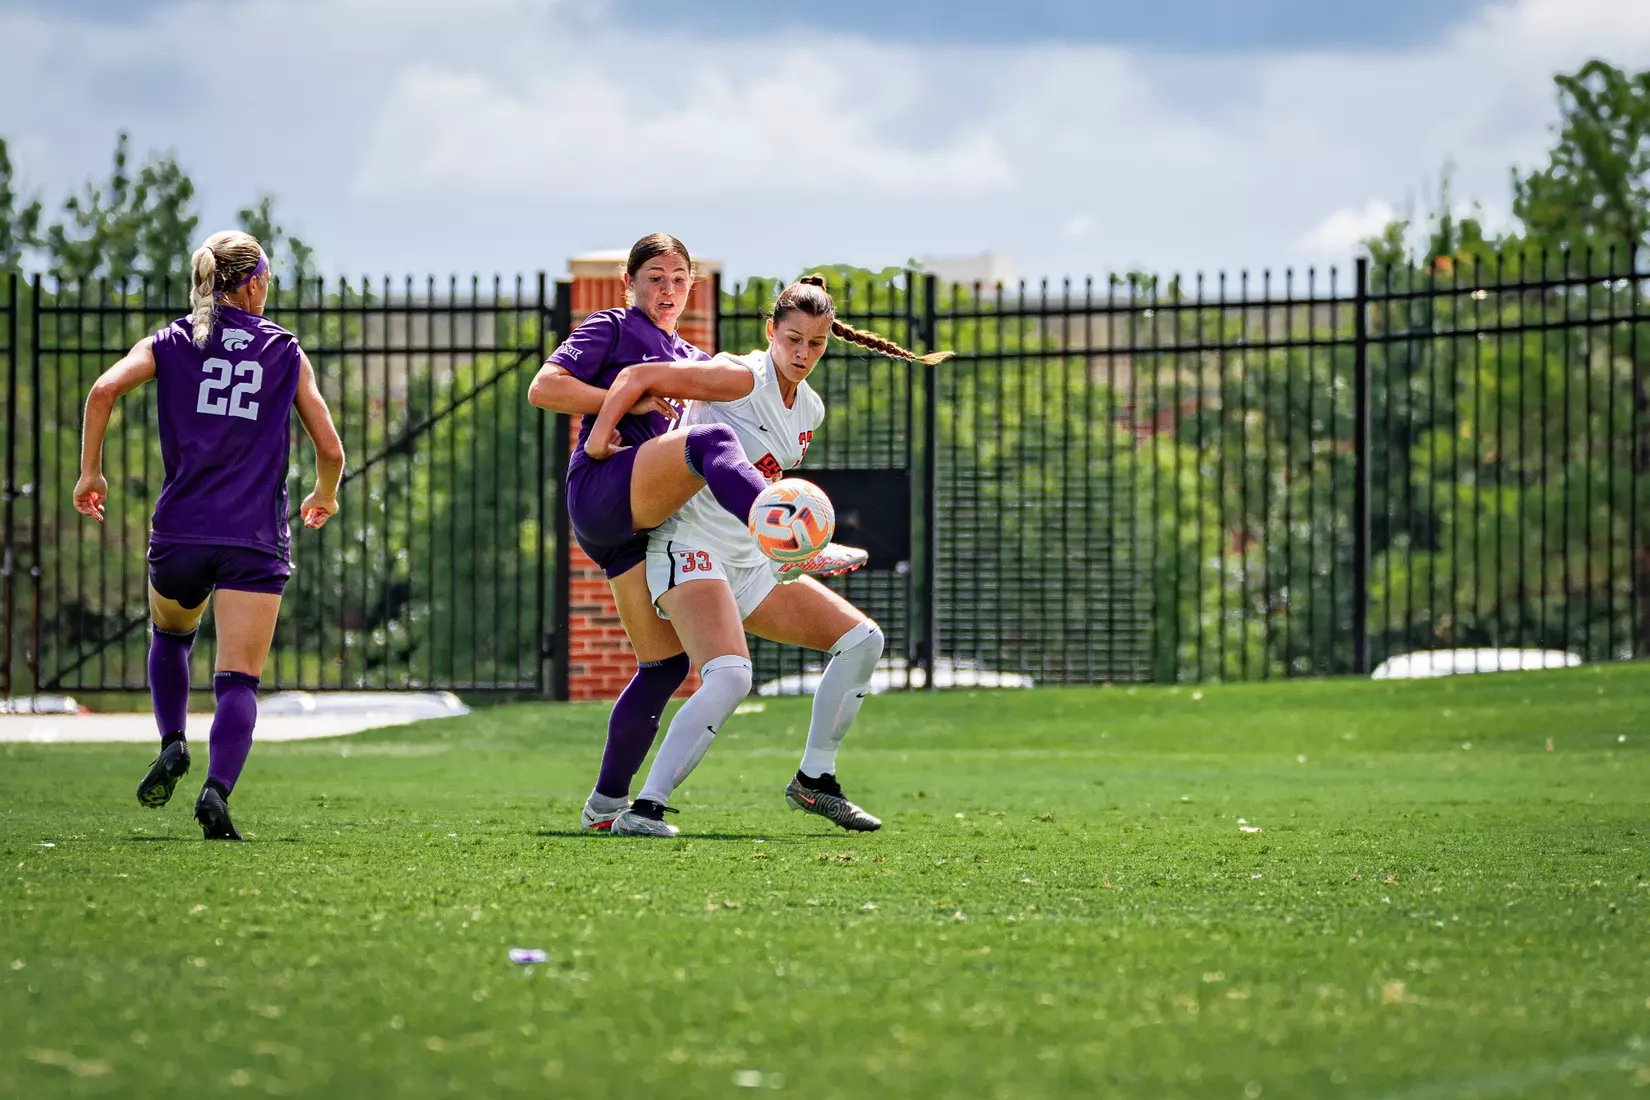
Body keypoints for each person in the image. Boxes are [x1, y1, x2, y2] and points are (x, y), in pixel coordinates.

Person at [577, 274, 952, 837]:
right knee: (729, 676)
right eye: (792, 339)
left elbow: (769, 498)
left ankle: (814, 780)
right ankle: (644, 809)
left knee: (863, 641)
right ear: (771, 331)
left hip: (749, 560)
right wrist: (601, 436)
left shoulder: (812, 411)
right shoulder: (737, 376)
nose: (803, 353)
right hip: (690, 548)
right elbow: (637, 376)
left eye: (817, 343)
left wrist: (786, 549)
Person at [527, 236, 865, 832]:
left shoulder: (694, 356)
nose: (667, 290)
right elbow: (546, 388)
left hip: (643, 525)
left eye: (679, 279)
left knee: (663, 666)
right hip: (605, 490)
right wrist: (611, 420)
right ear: (628, 282)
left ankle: (605, 808)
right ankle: (786, 532)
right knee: (710, 444)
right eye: (654, 277)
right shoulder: (612, 326)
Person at [73, 230, 344, 841]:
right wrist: (324, 494)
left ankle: (172, 741)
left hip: (182, 532)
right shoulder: (284, 351)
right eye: (266, 281)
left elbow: (102, 390)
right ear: (251, 284)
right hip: (253, 537)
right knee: (238, 680)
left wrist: (91, 472)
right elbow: (330, 448)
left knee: (171, 635)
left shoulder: (172, 339)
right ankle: (216, 791)